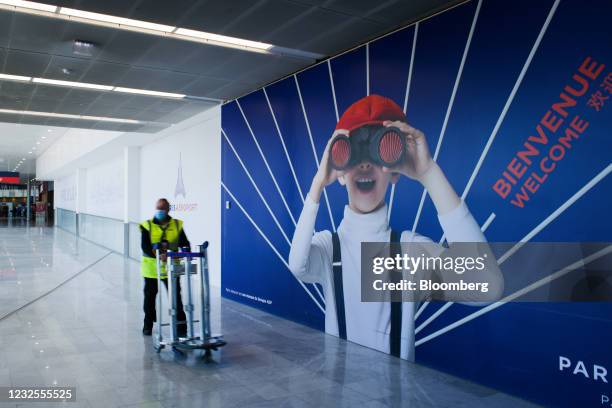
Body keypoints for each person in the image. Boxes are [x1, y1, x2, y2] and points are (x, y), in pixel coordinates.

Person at [288, 95, 502, 361]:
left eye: (379, 152)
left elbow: (487, 287)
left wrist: (429, 173)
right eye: (353, 154)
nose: (365, 164)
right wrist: (317, 184)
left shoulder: (411, 252)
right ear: (340, 172)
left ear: (395, 171)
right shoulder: (328, 247)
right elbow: (297, 265)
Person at [140, 198, 189, 336]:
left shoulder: (177, 225)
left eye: (162, 208)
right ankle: (148, 325)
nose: (159, 211)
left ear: (168, 210)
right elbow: (144, 246)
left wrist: (183, 252)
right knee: (149, 298)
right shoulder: (147, 225)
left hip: (173, 267)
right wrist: (158, 254)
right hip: (152, 268)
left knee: (176, 298)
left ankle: (181, 327)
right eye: (157, 208)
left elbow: (185, 243)